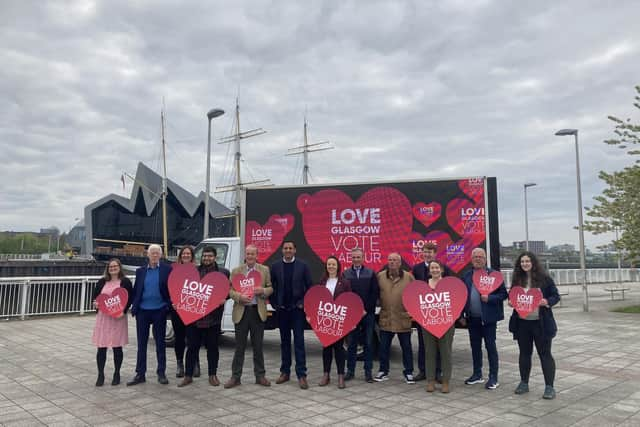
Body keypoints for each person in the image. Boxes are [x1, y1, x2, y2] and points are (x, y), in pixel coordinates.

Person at [509, 251, 560, 400]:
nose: (525, 264)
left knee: (545, 354)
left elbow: (555, 296)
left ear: (533, 263)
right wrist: (511, 301)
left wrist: (547, 302)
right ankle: (524, 383)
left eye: (527, 261)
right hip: (522, 323)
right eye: (522, 261)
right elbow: (513, 296)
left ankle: (549, 387)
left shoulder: (544, 279)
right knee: (524, 354)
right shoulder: (517, 280)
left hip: (541, 323)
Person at [178, 246, 229, 387]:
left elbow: (229, 290)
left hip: (213, 318)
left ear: (215, 257)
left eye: (210, 256)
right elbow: (185, 289)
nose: (207, 258)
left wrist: (225, 298)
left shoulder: (224, 273)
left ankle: (212, 375)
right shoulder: (195, 271)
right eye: (205, 256)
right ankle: (188, 376)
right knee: (192, 347)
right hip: (195, 318)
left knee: (213, 348)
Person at [224, 245, 273, 388]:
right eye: (248, 254)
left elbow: (270, 288)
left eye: (252, 254)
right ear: (245, 255)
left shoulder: (264, 270)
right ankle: (235, 377)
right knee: (239, 347)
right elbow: (230, 290)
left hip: (257, 311)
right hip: (241, 312)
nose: (250, 256)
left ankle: (260, 376)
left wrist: (262, 290)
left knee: (258, 346)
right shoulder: (236, 271)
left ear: (257, 255)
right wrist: (239, 297)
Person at [460, 247, 508, 390]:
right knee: (475, 348)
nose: (478, 259)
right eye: (475, 256)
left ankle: (493, 377)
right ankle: (477, 374)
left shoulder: (494, 275)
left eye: (481, 257)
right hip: (472, 319)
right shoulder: (467, 275)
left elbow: (503, 295)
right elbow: (462, 296)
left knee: (490, 347)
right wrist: (461, 315)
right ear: (471, 259)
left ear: (485, 259)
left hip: (488, 319)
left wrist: (490, 298)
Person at [127, 244, 172, 386]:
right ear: (147, 255)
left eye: (157, 253)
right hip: (143, 311)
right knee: (142, 344)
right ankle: (140, 373)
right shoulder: (140, 271)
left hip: (159, 310)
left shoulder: (167, 270)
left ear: (161, 255)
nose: (154, 255)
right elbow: (136, 290)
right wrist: (134, 305)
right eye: (152, 253)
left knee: (160, 343)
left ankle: (161, 373)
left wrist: (168, 306)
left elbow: (171, 289)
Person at [270, 241, 313, 389]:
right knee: (285, 343)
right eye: (285, 248)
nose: (288, 250)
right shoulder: (275, 267)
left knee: (299, 343)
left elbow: (310, 287)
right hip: (282, 310)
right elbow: (271, 287)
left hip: (297, 311)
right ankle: (285, 372)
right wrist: (275, 304)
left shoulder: (303, 266)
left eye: (290, 248)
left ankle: (302, 375)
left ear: (295, 250)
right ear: (282, 250)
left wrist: (302, 303)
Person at [411, 242, 453, 382]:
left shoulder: (444, 268)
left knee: (440, 345)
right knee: (424, 344)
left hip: (439, 313)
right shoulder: (416, 269)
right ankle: (423, 371)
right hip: (423, 313)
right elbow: (414, 290)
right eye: (425, 252)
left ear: (435, 254)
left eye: (430, 252)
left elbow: (450, 288)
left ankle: (438, 372)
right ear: (422, 253)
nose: (428, 254)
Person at [375, 252, 415, 384]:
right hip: (387, 318)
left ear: (400, 263)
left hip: (402, 318)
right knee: (383, 348)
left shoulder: (408, 277)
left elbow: (416, 295)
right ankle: (383, 371)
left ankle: (408, 372)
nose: (392, 262)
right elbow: (374, 294)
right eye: (390, 260)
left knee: (406, 348)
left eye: (395, 260)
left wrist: (413, 312)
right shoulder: (380, 276)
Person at [92, 258, 133, 386]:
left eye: (115, 266)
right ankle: (100, 374)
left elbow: (129, 298)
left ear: (119, 267)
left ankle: (117, 373)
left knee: (117, 347)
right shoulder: (102, 281)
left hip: (118, 318)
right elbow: (95, 297)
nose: (113, 268)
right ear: (107, 269)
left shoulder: (125, 282)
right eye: (110, 267)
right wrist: (95, 304)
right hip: (103, 318)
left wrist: (124, 311)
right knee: (101, 347)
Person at [342, 248, 379, 383]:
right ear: (351, 259)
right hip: (352, 315)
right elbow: (345, 295)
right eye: (354, 257)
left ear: (363, 258)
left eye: (358, 257)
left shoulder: (370, 273)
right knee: (351, 343)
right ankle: (350, 371)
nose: (356, 260)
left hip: (367, 314)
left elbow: (374, 293)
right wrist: (355, 310)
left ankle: (368, 373)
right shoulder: (345, 274)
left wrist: (365, 309)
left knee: (369, 343)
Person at [316, 256, 351, 389]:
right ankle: (326, 375)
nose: (331, 266)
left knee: (339, 349)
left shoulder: (345, 282)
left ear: (338, 266)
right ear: (326, 266)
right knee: (326, 348)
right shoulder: (322, 281)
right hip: (325, 321)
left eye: (333, 264)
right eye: (329, 264)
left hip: (339, 321)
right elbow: (318, 299)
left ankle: (341, 376)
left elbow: (349, 301)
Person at [422, 260, 456, 393]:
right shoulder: (425, 285)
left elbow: (455, 301)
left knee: (446, 352)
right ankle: (430, 380)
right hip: (428, 323)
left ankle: (445, 381)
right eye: (432, 268)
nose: (435, 270)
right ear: (429, 270)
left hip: (446, 323)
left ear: (441, 269)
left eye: (437, 267)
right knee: (429, 352)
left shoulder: (448, 284)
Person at [171, 246, 200, 379]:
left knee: (193, 338)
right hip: (177, 309)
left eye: (188, 253)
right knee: (179, 338)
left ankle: (195, 363)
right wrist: (173, 301)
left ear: (192, 256)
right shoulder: (174, 269)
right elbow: (169, 286)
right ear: (180, 255)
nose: (186, 255)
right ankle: (180, 364)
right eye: (184, 253)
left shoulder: (198, 269)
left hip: (192, 309)